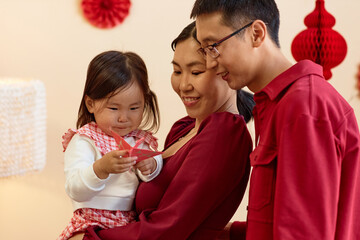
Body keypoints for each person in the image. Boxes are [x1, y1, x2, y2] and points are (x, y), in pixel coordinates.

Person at [191, 0, 360, 239]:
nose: (210, 63)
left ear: (256, 34)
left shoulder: (303, 108)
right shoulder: (275, 105)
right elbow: (277, 219)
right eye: (205, 51)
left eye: (214, 47)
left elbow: (303, 233)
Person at [82, 21, 254, 240]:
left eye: (196, 72)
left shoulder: (225, 132)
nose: (183, 85)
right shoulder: (185, 127)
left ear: (226, 69)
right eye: (177, 71)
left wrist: (90, 237)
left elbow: (168, 228)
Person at [58, 50, 163, 240]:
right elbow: (74, 188)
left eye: (134, 108)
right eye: (114, 108)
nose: (124, 118)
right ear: (90, 104)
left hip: (130, 222)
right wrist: (100, 168)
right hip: (91, 222)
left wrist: (151, 166)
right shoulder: (84, 139)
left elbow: (156, 162)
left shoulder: (140, 139)